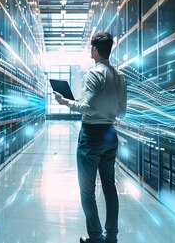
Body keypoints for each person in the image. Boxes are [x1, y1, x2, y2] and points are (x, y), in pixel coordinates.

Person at [53, 32, 127, 243]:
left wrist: (65, 102)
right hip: (110, 134)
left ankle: (95, 237)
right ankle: (111, 237)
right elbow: (121, 111)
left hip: (92, 135)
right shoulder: (120, 76)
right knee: (109, 187)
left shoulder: (94, 75)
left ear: (95, 50)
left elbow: (88, 108)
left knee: (87, 190)